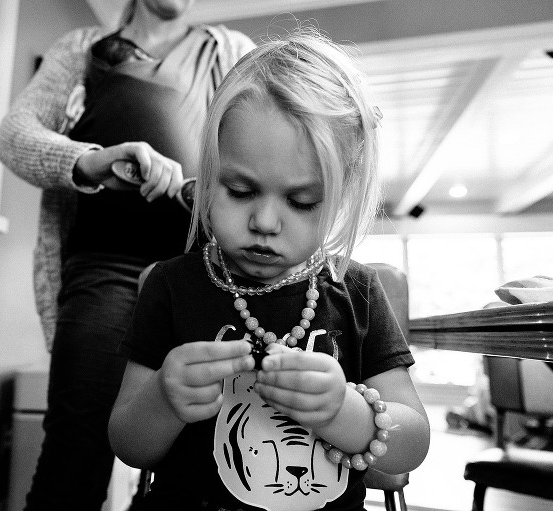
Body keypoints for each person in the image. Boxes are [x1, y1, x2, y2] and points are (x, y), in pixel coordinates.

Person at [108, 28, 431, 511]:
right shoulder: (171, 285)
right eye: (239, 191)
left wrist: (347, 412)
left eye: (302, 201)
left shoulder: (357, 290)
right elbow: (129, 445)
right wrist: (162, 397)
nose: (264, 221)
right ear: (209, 173)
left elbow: (414, 443)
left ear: (341, 198)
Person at [0, 0, 255, 509]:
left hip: (199, 271)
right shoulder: (80, 49)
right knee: (76, 442)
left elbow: (255, 150)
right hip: (102, 267)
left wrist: (200, 191)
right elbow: (13, 136)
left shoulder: (231, 52)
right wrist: (90, 162)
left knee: (194, 448)